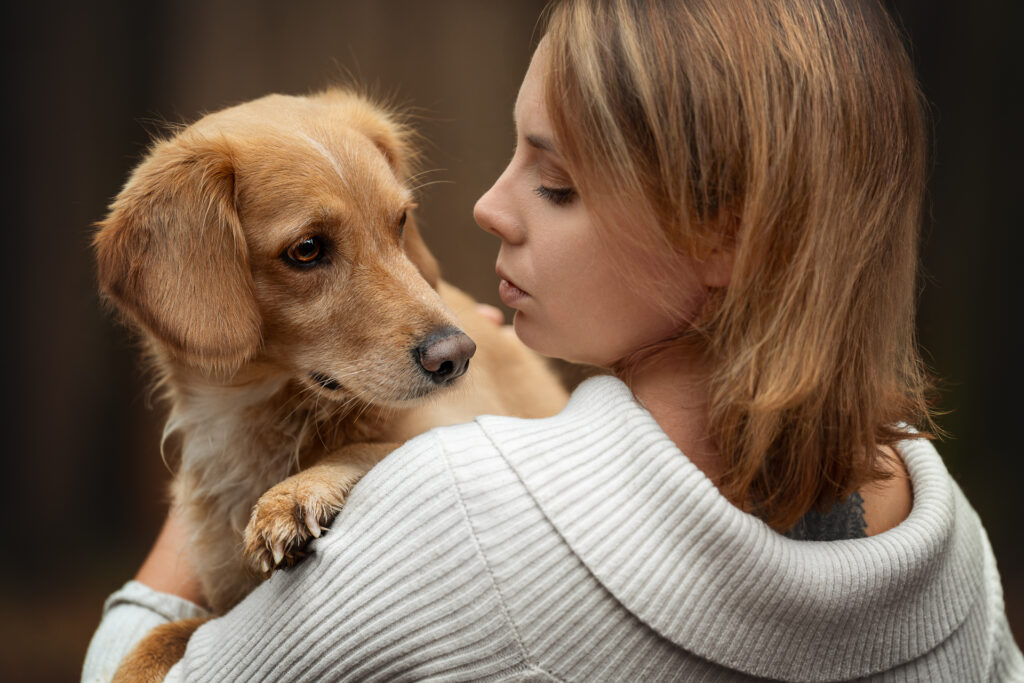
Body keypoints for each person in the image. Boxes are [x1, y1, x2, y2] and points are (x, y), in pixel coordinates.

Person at [84, 0, 1023, 680]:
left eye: (557, 183)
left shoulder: (452, 522)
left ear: (727, 234)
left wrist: (194, 496)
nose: (489, 208)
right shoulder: (954, 558)